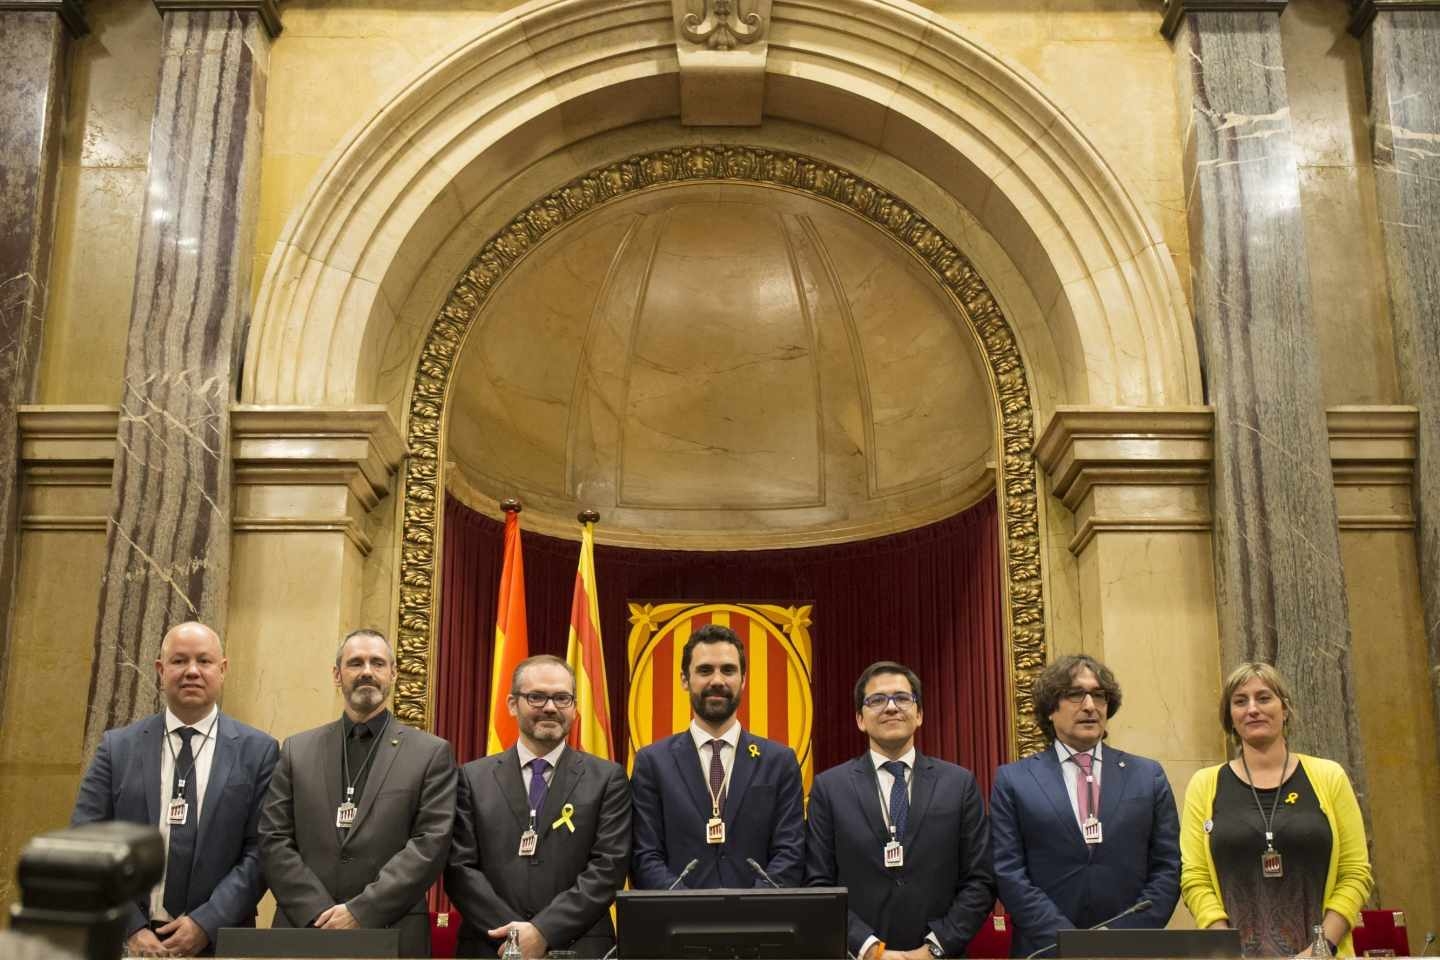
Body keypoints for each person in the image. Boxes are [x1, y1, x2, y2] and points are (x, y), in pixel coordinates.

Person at [71, 621, 279, 957]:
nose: (192, 671)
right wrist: (132, 929)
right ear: (160, 669)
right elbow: (86, 842)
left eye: (204, 661)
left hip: (220, 941)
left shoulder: (259, 751)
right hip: (127, 944)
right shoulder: (118, 747)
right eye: (180, 661)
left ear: (222, 669)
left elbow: (262, 851)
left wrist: (205, 923)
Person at [259, 629, 457, 957]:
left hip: (393, 930)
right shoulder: (297, 750)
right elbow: (273, 839)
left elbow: (430, 845)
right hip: (304, 929)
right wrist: (318, 910)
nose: (367, 671)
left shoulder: (431, 753)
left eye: (377, 663)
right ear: (337, 676)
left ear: (393, 673)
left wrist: (360, 911)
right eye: (355, 663)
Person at [988, 655, 1180, 958]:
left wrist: (1118, 937)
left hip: (1132, 950)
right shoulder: (1014, 780)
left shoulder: (1147, 775)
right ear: (1050, 708)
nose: (1090, 705)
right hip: (1046, 949)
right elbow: (1008, 872)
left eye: (1099, 695)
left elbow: (1168, 867)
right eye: (1076, 694)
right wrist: (1069, 942)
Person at [805, 661, 995, 960]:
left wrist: (934, 948)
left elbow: (980, 880)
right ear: (860, 719)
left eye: (902, 698)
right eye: (877, 700)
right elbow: (818, 883)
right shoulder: (829, 788)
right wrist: (869, 950)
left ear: (918, 714)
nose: (891, 707)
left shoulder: (959, 784)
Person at [1180, 662, 1372, 957]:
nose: (1252, 709)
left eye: (1264, 697)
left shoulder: (1328, 776)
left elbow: (1355, 874)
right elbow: (1195, 880)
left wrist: (1319, 951)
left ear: (1285, 710)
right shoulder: (1204, 785)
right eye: (1240, 701)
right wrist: (1228, 950)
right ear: (1230, 717)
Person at [445, 655, 630, 958]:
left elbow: (608, 869)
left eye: (562, 698)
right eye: (536, 697)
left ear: (575, 707)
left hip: (579, 947)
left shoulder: (608, 779)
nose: (550, 707)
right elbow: (459, 869)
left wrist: (544, 931)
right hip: (491, 945)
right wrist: (516, 936)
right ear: (512, 704)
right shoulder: (471, 778)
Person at [630, 623, 805, 889]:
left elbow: (791, 853)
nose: (717, 681)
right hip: (678, 922)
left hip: (762, 923)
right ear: (684, 680)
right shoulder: (652, 763)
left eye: (728, 670)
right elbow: (644, 855)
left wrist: (748, 907)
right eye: (704, 670)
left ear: (743, 680)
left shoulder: (779, 762)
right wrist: (691, 909)